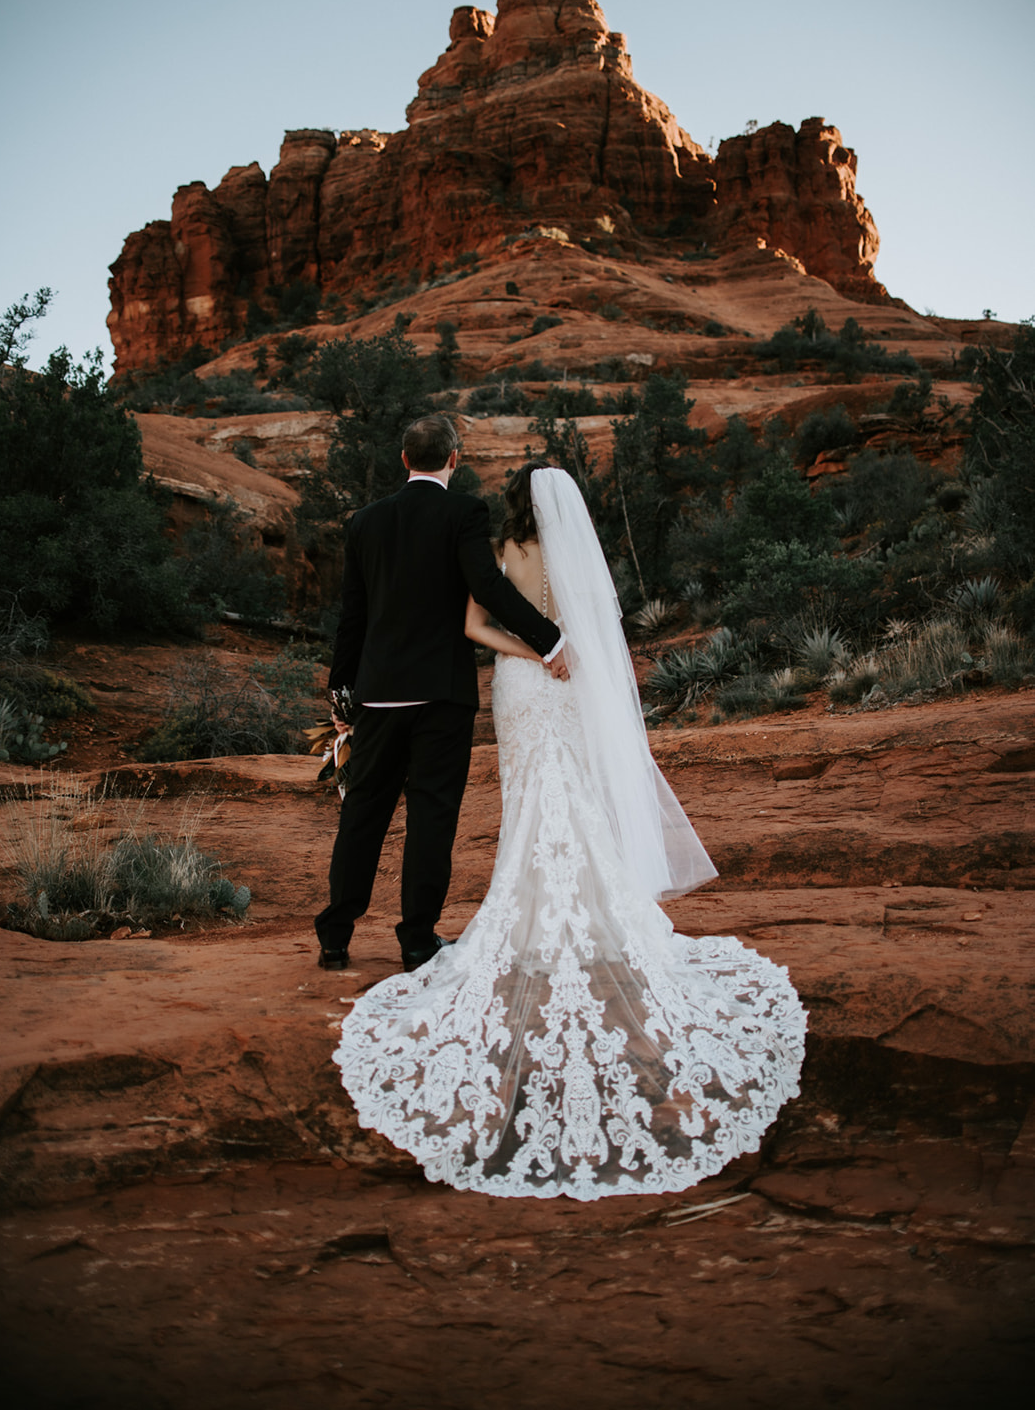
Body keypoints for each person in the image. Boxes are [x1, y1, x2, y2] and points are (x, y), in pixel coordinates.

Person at [335, 461, 806, 1200]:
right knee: (573, 794)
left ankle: (522, 928)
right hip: (570, 679)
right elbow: (598, 636)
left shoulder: (498, 553)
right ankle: (598, 916)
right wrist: (562, 654)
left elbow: (471, 624)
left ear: (516, 504)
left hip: (522, 685)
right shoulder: (577, 557)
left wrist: (528, 654)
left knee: (528, 800)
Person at [314, 416, 567, 974]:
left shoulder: (365, 522)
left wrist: (341, 694)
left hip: (378, 696)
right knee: (431, 818)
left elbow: (351, 616)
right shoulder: (464, 513)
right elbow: (488, 587)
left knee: (363, 814)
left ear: (404, 460)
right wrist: (550, 642)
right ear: (455, 458)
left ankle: (335, 935)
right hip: (441, 697)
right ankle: (416, 941)